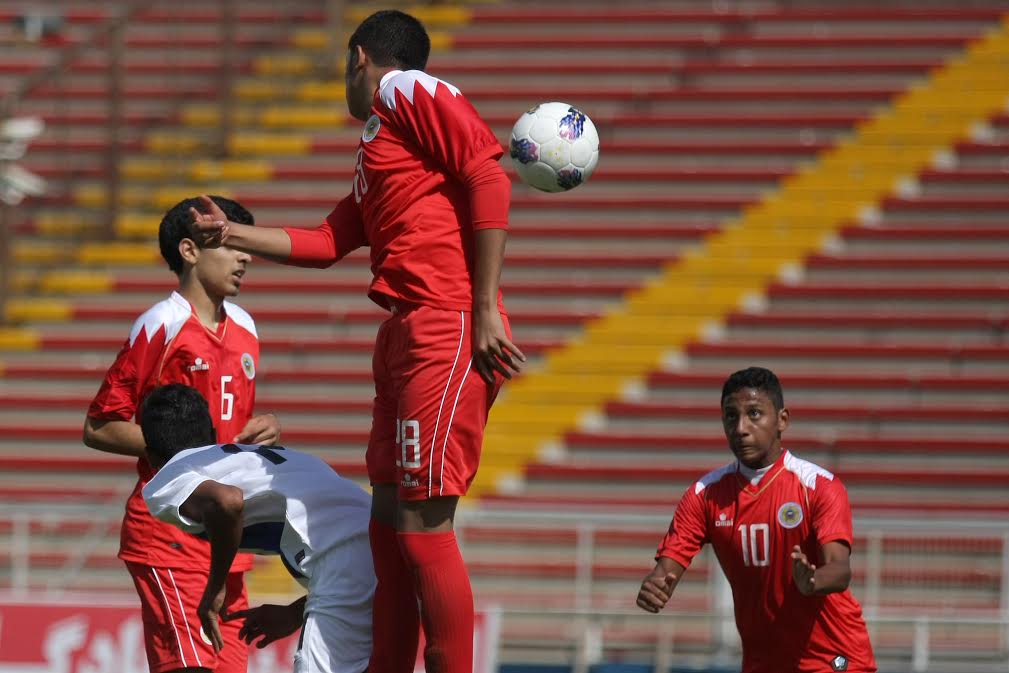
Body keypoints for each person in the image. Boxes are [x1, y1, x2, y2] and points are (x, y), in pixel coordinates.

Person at [188, 10, 523, 673]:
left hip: (444, 321)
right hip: (402, 331)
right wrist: (229, 233)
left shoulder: (406, 91)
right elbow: (327, 241)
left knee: (424, 525)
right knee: (388, 520)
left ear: (359, 57)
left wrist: (484, 307)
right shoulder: (379, 148)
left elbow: (490, 175)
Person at [84, 196, 281, 673]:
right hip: (170, 531)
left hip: (225, 540)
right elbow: (100, 426)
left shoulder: (247, 327)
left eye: (243, 244)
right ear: (189, 251)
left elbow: (227, 433)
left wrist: (259, 435)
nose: (244, 256)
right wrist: (187, 454)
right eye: (227, 243)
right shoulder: (162, 324)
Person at [636, 367, 876, 673]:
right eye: (731, 416)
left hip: (834, 658)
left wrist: (814, 580)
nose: (741, 428)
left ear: (782, 420)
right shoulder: (703, 495)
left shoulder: (818, 486)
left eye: (754, 414)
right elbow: (665, 571)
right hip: (763, 662)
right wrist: (654, 587)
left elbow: (840, 569)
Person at [139, 383, 374, 673]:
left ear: (149, 456)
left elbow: (227, 502)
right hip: (386, 542)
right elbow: (350, 540)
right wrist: (294, 612)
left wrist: (215, 588)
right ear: (212, 436)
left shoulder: (169, 476)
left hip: (346, 564)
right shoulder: (281, 459)